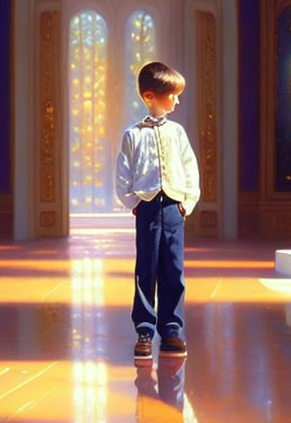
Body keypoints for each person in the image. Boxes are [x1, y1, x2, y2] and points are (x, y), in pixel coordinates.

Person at [116, 61, 200, 362]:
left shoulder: (177, 133)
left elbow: (190, 168)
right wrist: (135, 203)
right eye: (171, 95)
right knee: (146, 270)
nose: (176, 101)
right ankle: (144, 330)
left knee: (174, 269)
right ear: (150, 96)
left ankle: (172, 328)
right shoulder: (133, 134)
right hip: (148, 208)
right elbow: (123, 175)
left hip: (175, 207)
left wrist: (186, 202)